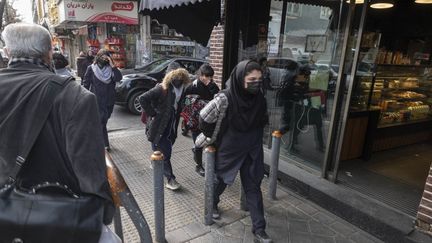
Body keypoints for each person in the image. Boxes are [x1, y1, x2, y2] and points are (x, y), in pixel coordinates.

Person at [0, 23, 115, 240]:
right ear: (49, 52)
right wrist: (102, 212)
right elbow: (89, 170)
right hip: (61, 217)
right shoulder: (76, 96)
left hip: (7, 216)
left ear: (7, 52)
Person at [198, 60, 272, 243]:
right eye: (252, 79)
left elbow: (263, 121)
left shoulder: (259, 98)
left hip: (252, 150)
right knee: (221, 180)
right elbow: (203, 118)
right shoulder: (225, 98)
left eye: (259, 79)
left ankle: (259, 230)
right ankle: (212, 204)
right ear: (240, 78)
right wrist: (215, 139)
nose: (257, 83)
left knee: (253, 187)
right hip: (230, 149)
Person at [139, 65, 190, 191]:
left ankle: (155, 161)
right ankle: (170, 179)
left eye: (180, 76)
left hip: (171, 124)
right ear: (170, 76)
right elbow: (142, 98)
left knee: (160, 146)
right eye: (175, 76)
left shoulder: (183, 87)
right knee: (165, 152)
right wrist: (153, 113)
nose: (178, 79)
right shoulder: (161, 88)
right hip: (159, 124)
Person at [183, 64, 219, 176]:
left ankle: (212, 164)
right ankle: (199, 165)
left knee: (212, 142)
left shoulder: (213, 86)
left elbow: (218, 100)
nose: (209, 79)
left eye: (211, 77)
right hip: (196, 120)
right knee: (197, 144)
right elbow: (185, 102)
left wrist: (212, 88)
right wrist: (191, 110)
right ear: (201, 75)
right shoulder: (192, 86)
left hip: (209, 120)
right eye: (207, 77)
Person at [83, 49, 122, 151]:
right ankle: (105, 144)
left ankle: (99, 139)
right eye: (103, 57)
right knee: (102, 122)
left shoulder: (111, 69)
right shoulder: (91, 69)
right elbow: (85, 84)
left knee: (104, 120)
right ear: (98, 57)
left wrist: (113, 66)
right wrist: (84, 99)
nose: (105, 59)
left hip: (109, 101)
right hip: (97, 100)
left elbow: (118, 78)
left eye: (107, 57)